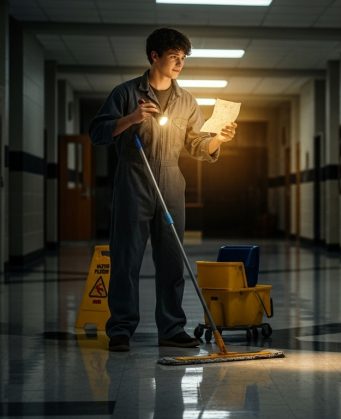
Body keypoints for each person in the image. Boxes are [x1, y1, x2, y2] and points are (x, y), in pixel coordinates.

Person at [89, 28, 237, 352]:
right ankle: (121, 329)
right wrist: (131, 118)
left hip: (171, 182)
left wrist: (218, 140)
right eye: (174, 56)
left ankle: (171, 327)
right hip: (134, 178)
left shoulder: (187, 101)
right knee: (126, 259)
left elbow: (198, 145)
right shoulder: (126, 93)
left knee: (171, 260)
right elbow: (98, 133)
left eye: (183, 58)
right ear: (154, 56)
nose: (179, 63)